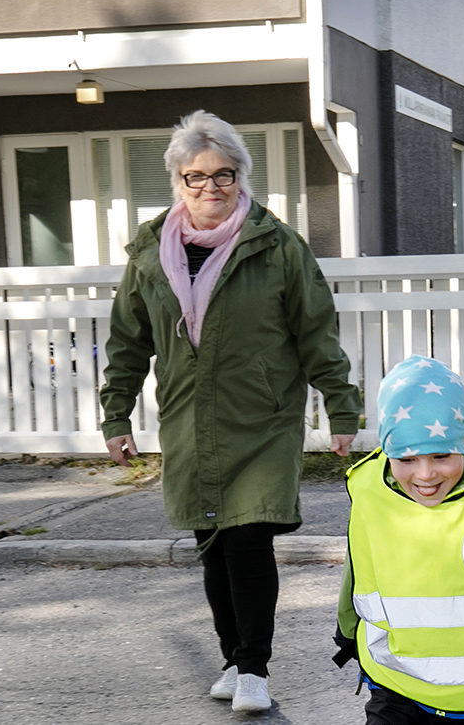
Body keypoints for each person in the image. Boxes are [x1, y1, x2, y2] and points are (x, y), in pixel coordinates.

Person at [98, 109, 360, 714]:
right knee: (212, 545)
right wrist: (116, 415)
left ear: (241, 176)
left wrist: (341, 407)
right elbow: (127, 342)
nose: (211, 187)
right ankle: (232, 657)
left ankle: (255, 668)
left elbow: (316, 330)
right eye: (197, 176)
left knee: (248, 542)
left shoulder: (275, 245)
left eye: (224, 174)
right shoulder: (148, 252)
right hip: (190, 421)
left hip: (262, 420)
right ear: (177, 180)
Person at [332, 355, 464, 724]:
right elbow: (359, 567)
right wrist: (346, 631)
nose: (425, 474)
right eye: (406, 459)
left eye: (442, 455)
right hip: (396, 681)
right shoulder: (369, 488)